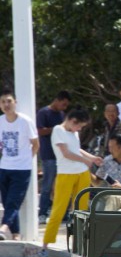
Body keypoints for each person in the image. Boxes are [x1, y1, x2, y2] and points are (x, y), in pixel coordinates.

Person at [39, 108, 102, 257]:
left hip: (82, 174)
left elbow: (76, 149)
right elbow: (66, 153)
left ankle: (80, 248)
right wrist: (86, 161)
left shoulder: (73, 132)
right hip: (66, 174)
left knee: (81, 211)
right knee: (58, 211)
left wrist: (92, 158)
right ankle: (44, 248)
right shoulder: (58, 130)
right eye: (79, 126)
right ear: (73, 121)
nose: (80, 129)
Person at [0, 90, 39, 240]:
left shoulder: (25, 121)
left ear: (15, 102)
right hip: (4, 167)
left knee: (13, 201)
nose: (6, 105)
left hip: (22, 169)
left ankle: (3, 228)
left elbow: (35, 144)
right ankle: (16, 234)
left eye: (9, 101)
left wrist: (28, 159)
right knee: (7, 201)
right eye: (3, 102)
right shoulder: (1, 121)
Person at [36, 90, 70, 224]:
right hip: (48, 155)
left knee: (63, 185)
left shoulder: (62, 114)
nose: (64, 107)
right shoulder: (43, 113)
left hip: (62, 155)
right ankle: (42, 213)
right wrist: (56, 128)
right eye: (64, 104)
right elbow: (39, 130)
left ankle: (64, 214)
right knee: (47, 186)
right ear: (57, 100)